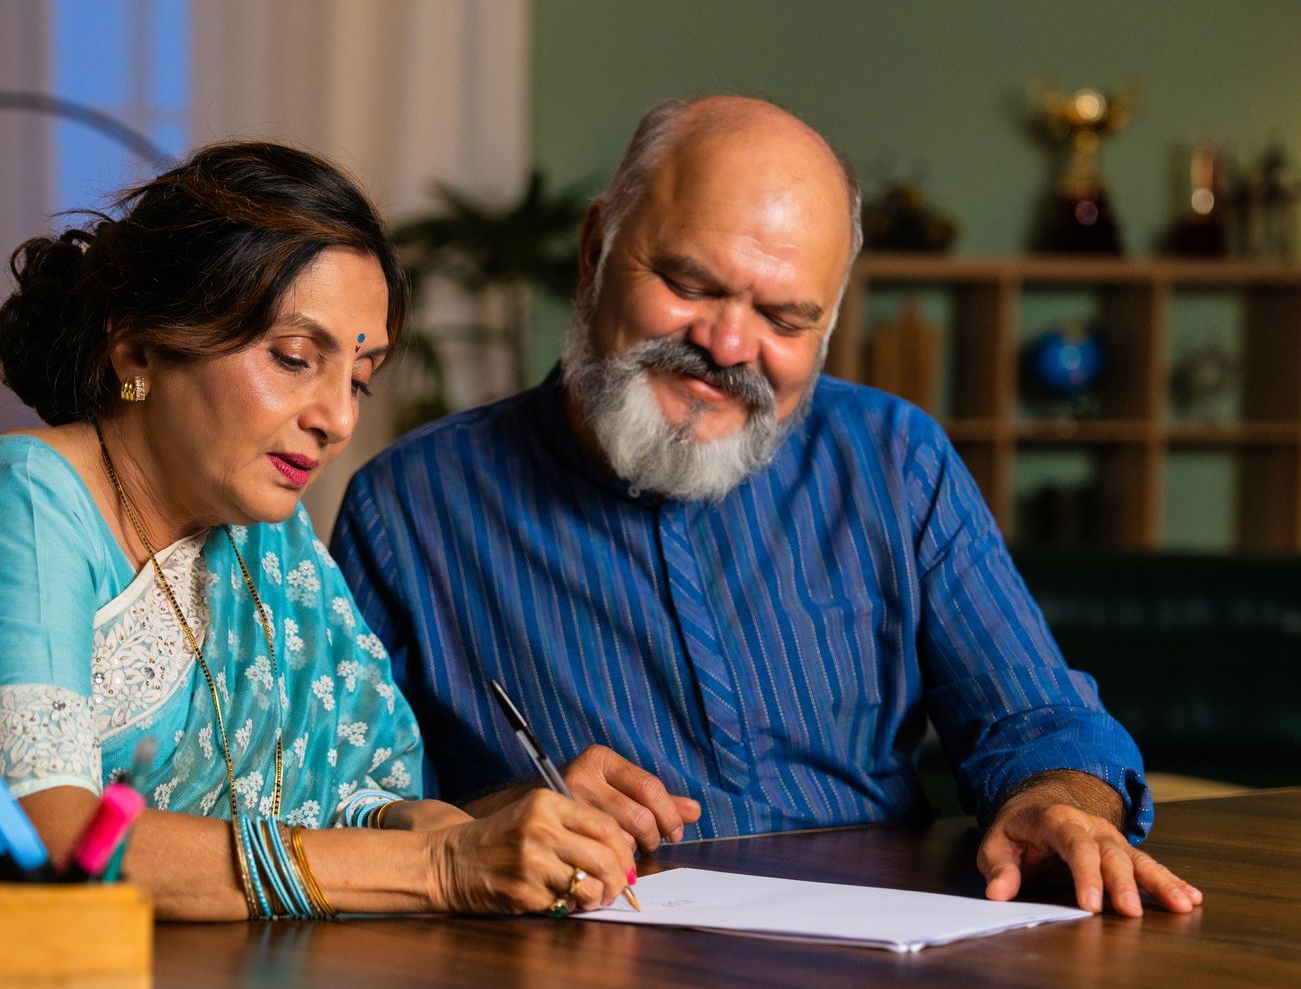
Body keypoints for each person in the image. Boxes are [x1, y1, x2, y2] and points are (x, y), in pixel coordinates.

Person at [331, 98, 1200, 918]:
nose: (728, 346)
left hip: (877, 983)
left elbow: (1036, 717)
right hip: (573, 980)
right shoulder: (409, 506)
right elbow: (345, 803)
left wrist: (1061, 803)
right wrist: (499, 812)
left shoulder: (895, 460)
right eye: (692, 283)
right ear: (598, 246)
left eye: (785, 319)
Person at [0, 141, 635, 920]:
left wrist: (424, 820)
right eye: (294, 357)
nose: (337, 419)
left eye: (358, 382)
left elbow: (352, 788)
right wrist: (434, 863)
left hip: (208, 980)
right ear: (139, 347)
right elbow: (49, 843)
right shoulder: (21, 499)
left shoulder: (268, 540)